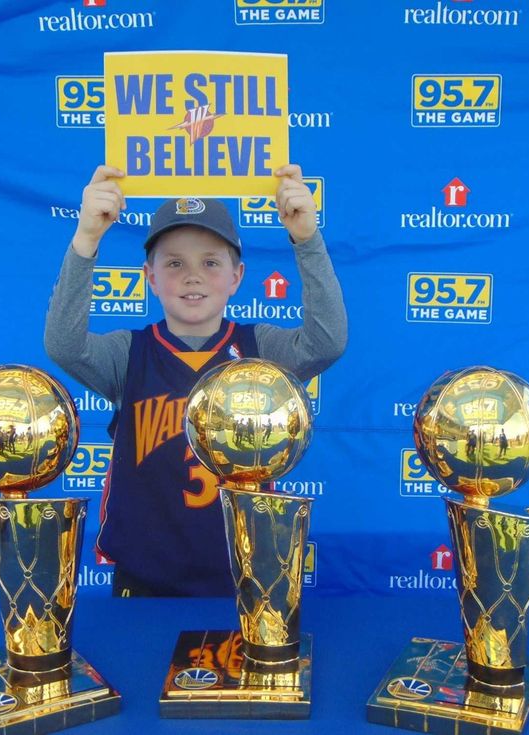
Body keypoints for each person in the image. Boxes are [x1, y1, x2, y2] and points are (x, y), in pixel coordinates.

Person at [44, 164, 347, 597]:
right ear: (150, 277)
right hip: (145, 577)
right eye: (174, 263)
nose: (193, 275)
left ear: (236, 277)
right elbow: (64, 345)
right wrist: (87, 238)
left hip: (244, 572)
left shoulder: (258, 349)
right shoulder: (130, 354)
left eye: (210, 262)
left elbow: (327, 342)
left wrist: (306, 238)